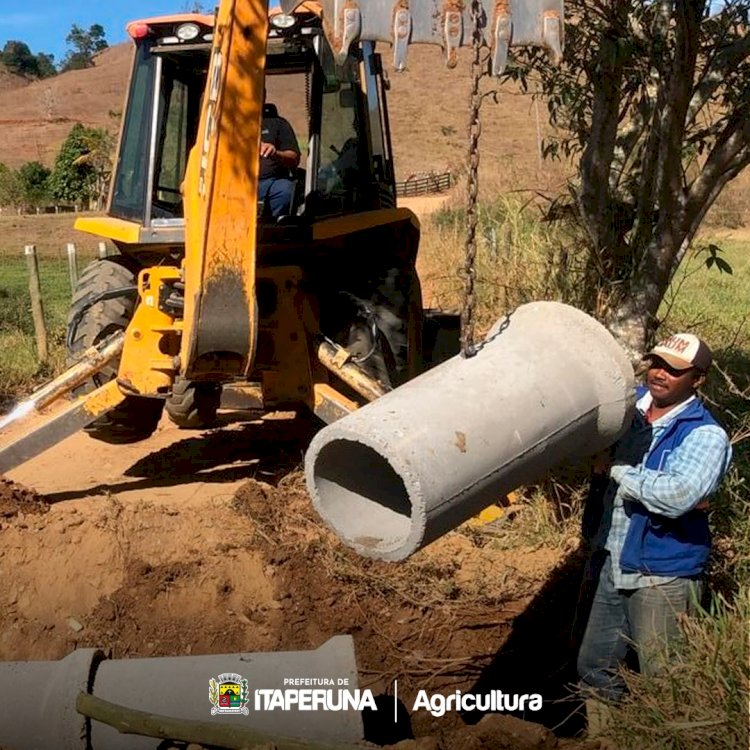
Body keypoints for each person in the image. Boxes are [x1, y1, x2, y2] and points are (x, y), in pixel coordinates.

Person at [577, 333, 732, 732]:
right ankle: (604, 737)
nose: (660, 374)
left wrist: (617, 470)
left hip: (661, 573)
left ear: (697, 379)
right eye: (656, 363)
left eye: (675, 370)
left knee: (665, 676)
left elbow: (678, 494)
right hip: (614, 560)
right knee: (594, 666)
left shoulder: (705, 434)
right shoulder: (628, 413)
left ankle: (669, 739)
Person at [259, 101, 300, 217]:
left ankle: (269, 226)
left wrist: (275, 153)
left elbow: (294, 157)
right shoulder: (228, 121)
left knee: (285, 190)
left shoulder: (278, 123)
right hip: (235, 180)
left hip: (270, 182)